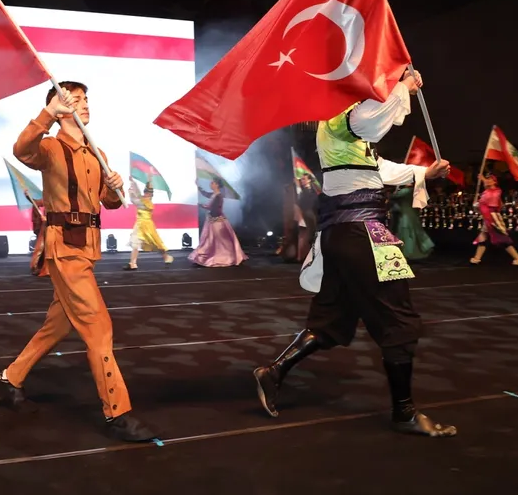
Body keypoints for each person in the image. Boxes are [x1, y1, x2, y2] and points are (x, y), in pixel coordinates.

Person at [253, 70, 458, 438]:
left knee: (331, 319)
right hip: (364, 233)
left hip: (342, 235)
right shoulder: (340, 119)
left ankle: (273, 372)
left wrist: (423, 173)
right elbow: (374, 122)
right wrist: (403, 87)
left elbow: (376, 167)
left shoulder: (345, 130)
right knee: (398, 319)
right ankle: (404, 413)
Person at [0, 81, 156, 442]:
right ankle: (117, 412)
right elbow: (22, 150)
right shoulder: (50, 147)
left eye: (85, 99)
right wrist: (48, 113)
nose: (84, 104)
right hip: (64, 248)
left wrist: (114, 187)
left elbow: (109, 203)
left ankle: (10, 378)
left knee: (58, 325)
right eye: (75, 100)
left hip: (87, 249)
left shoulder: (97, 152)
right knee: (99, 328)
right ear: (61, 107)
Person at [189, 177, 247, 267]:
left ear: (217, 185)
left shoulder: (219, 197)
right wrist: (198, 186)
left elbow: (213, 208)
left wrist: (200, 205)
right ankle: (211, 256)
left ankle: (224, 257)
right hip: (212, 221)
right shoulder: (214, 195)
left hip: (217, 222)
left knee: (220, 241)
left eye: (212, 183)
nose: (210, 184)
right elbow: (205, 194)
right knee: (211, 240)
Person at [470, 174, 518, 266]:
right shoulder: (486, 192)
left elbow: (492, 203)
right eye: (487, 179)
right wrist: (477, 205)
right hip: (487, 218)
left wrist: (483, 180)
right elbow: (483, 206)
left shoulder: (497, 191)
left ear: (495, 182)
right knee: (483, 237)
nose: (487, 180)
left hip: (492, 218)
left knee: (502, 239)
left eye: (489, 179)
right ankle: (477, 258)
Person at [124, 179, 174, 270]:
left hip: (147, 226)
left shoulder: (148, 203)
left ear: (151, 194)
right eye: (146, 192)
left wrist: (133, 186)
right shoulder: (142, 200)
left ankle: (166, 257)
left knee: (156, 243)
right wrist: (132, 185)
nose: (147, 194)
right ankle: (133, 263)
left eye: (149, 192)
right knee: (135, 243)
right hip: (139, 225)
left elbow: (136, 199)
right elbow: (136, 197)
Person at [389, 184, 435, 260]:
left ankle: (408, 252)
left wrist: (395, 190)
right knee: (414, 230)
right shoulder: (416, 190)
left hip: (406, 214)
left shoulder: (406, 191)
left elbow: (393, 196)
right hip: (413, 213)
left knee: (407, 232)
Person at [27, 190, 47, 277]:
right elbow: (36, 202)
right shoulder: (48, 198)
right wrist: (28, 196)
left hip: (57, 226)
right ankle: (40, 267)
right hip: (47, 226)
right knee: (43, 248)